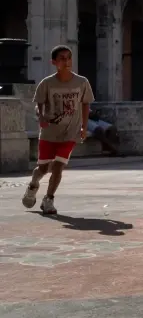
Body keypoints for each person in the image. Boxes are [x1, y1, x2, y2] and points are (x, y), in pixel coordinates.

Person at [21, 45, 95, 215]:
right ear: (54, 62)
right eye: (62, 58)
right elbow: (39, 105)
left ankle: (48, 199)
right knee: (43, 168)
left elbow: (85, 104)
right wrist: (41, 117)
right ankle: (33, 184)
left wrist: (84, 126)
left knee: (59, 166)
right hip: (49, 133)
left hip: (70, 132)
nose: (66, 61)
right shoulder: (46, 83)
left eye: (69, 57)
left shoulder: (82, 82)